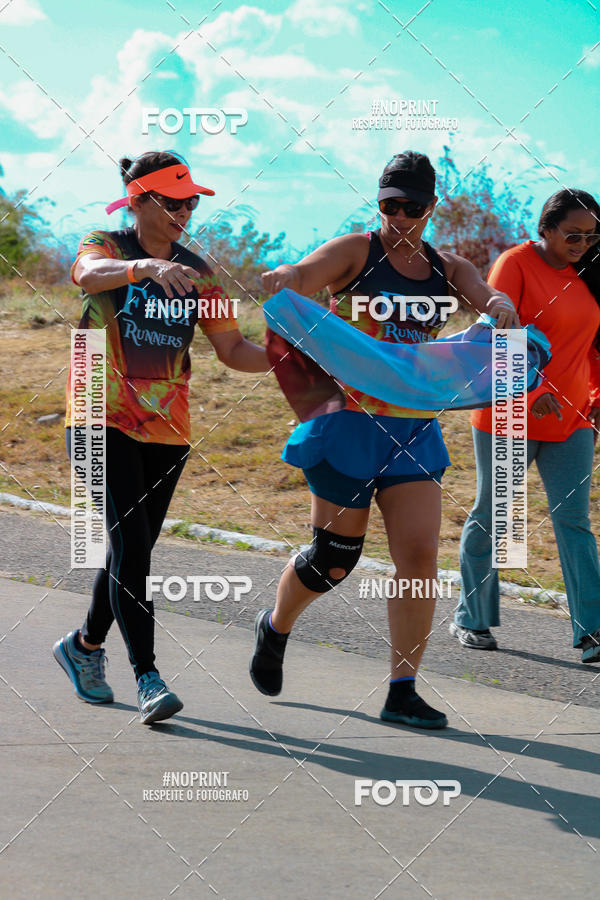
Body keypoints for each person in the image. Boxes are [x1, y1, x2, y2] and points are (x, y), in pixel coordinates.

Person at [250, 150, 520, 729]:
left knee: (419, 557)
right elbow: (304, 274)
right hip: (347, 422)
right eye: (389, 205)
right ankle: (275, 627)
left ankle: (402, 690)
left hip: (412, 430)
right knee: (335, 560)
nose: (399, 216)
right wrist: (285, 279)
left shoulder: (446, 266)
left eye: (411, 207)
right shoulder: (357, 251)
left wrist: (499, 305)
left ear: (430, 207)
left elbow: (483, 294)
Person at [54, 151, 270, 723]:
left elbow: (233, 349)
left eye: (191, 202)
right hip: (98, 414)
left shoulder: (199, 271)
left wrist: (292, 353)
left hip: (167, 428)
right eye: (173, 202)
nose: (185, 211)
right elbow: (85, 274)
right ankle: (148, 676)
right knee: (130, 543)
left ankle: (82, 647)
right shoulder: (106, 243)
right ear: (139, 199)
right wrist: (142, 270)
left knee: (135, 548)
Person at [452, 188, 600, 664]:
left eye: (591, 236)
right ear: (546, 229)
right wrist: (533, 397)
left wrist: (597, 397)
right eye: (572, 235)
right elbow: (497, 336)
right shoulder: (513, 265)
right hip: (510, 412)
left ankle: (592, 632)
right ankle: (472, 618)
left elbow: (593, 345)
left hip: (574, 417)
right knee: (499, 517)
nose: (582, 243)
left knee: (574, 520)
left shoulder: (590, 270)